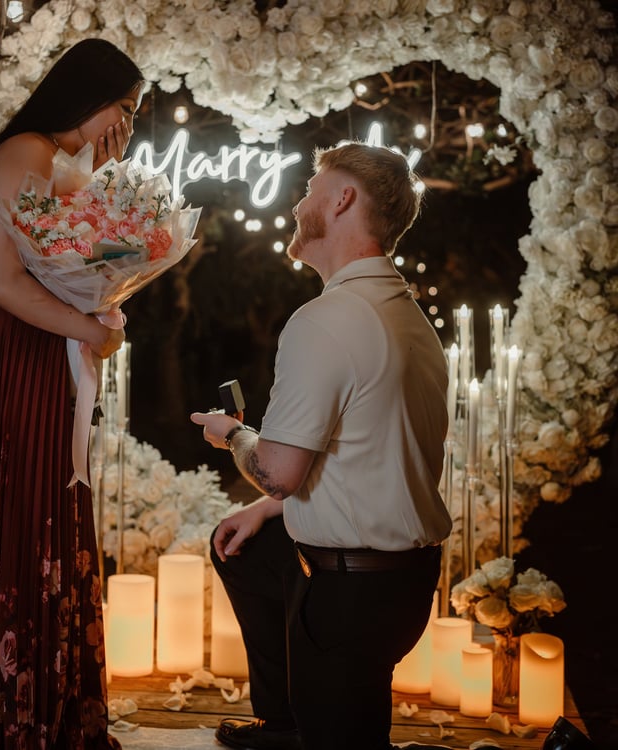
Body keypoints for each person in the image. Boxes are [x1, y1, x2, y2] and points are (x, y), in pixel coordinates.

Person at [191, 142, 453, 750]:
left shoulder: (324, 319)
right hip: (404, 579)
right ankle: (285, 723)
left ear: (341, 200)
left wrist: (233, 434)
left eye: (311, 186)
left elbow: (279, 472)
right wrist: (267, 509)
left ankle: (313, 728)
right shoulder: (409, 316)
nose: (297, 202)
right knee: (246, 551)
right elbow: (371, 454)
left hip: (349, 593)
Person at [0, 39, 144, 750]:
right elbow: (1, 281)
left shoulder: (55, 160)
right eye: (125, 109)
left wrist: (100, 179)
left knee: (47, 515)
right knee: (21, 518)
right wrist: (94, 328)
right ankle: (13, 717)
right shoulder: (26, 150)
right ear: (91, 95)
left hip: (36, 348)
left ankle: (49, 709)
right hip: (9, 353)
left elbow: (66, 255)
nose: (127, 125)